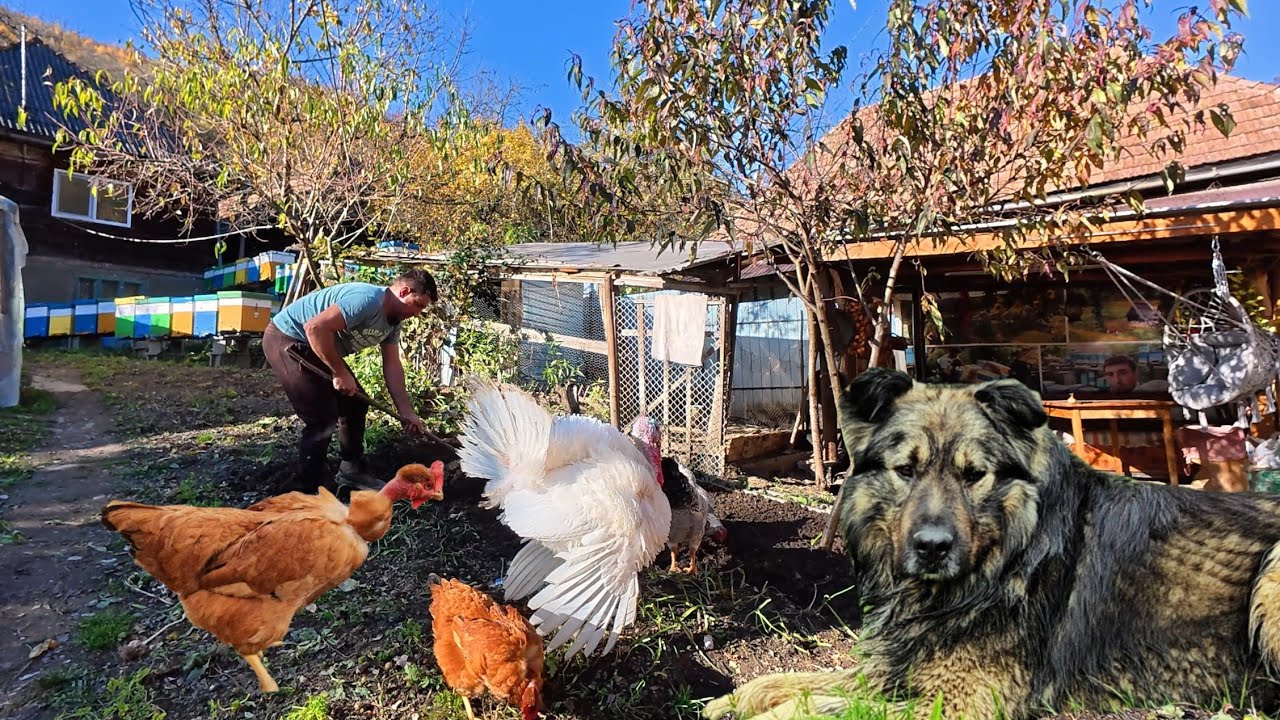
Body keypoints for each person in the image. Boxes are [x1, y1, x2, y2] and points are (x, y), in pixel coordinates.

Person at [263, 268, 438, 492]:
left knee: (356, 402)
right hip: (288, 338)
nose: (418, 313)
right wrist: (339, 372)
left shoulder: (393, 322)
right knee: (321, 419)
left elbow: (392, 365)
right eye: (419, 305)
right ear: (404, 291)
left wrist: (406, 411)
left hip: (316, 345)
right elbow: (314, 328)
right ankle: (308, 489)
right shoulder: (366, 300)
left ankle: (351, 471)